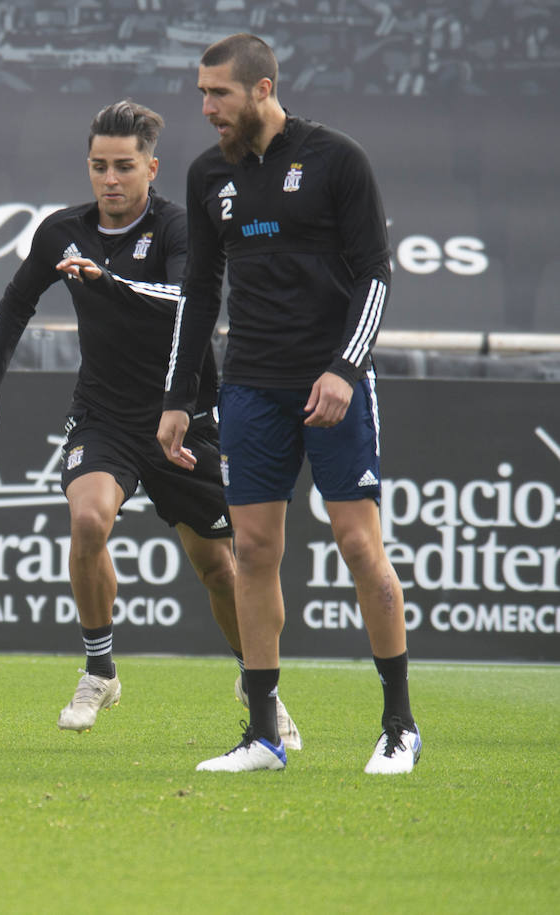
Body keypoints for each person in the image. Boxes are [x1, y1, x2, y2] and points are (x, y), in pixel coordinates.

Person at [0, 100, 300, 749]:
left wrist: (108, 281)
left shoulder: (181, 230)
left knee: (219, 570)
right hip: (106, 415)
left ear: (151, 167)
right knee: (87, 518)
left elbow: (186, 304)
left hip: (184, 413)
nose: (110, 179)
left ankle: (259, 686)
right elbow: (13, 305)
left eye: (124, 166)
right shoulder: (63, 232)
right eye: (98, 166)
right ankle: (99, 669)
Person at [159, 34, 420, 774]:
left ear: (263, 88)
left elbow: (374, 273)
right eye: (203, 93)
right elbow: (201, 294)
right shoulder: (209, 173)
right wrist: (181, 396)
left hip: (331, 386)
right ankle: (264, 735)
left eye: (220, 93)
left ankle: (399, 725)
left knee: (360, 546)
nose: (207, 107)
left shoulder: (337, 159)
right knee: (255, 554)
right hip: (250, 387)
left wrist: (344, 367)